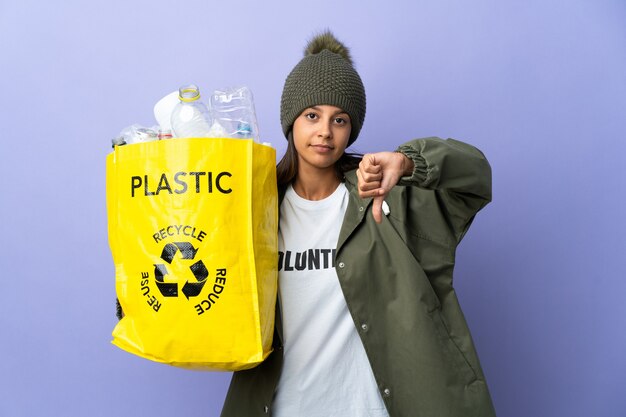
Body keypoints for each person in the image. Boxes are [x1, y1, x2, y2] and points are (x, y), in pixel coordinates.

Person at [221, 31, 497, 417]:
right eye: (312, 115)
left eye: (340, 119)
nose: (325, 131)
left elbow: (475, 179)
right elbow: (208, 284)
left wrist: (409, 163)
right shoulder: (255, 208)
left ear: (352, 130)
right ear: (291, 121)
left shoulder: (386, 201)